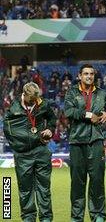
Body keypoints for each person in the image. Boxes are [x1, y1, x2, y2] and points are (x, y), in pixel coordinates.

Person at [64, 64, 106, 222]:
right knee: (77, 183)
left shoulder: (101, 93)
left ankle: (98, 215)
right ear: (79, 76)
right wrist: (88, 115)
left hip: (96, 141)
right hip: (77, 142)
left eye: (91, 74)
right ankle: (77, 217)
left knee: (97, 181)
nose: (89, 76)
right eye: (85, 73)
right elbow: (69, 111)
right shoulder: (72, 92)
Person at [4, 82, 57, 222]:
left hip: (41, 151)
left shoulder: (42, 104)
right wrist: (19, 146)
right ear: (24, 94)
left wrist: (50, 129)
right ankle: (28, 218)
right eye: (31, 99)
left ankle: (46, 218)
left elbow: (52, 119)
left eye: (36, 98)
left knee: (44, 189)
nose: (34, 101)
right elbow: (8, 129)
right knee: (25, 189)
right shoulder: (14, 106)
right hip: (23, 154)